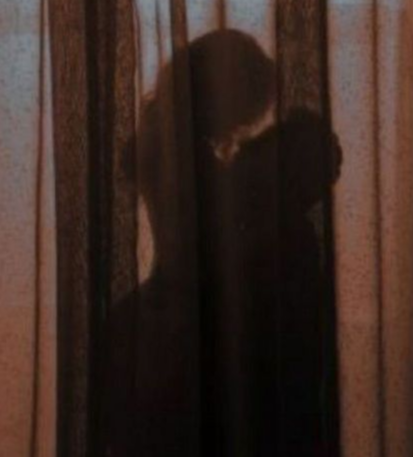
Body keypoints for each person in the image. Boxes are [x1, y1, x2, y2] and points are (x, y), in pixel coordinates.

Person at [105, 29, 342, 457]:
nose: (248, 123)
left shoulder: (176, 151)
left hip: (174, 325)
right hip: (189, 335)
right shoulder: (190, 163)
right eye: (248, 105)